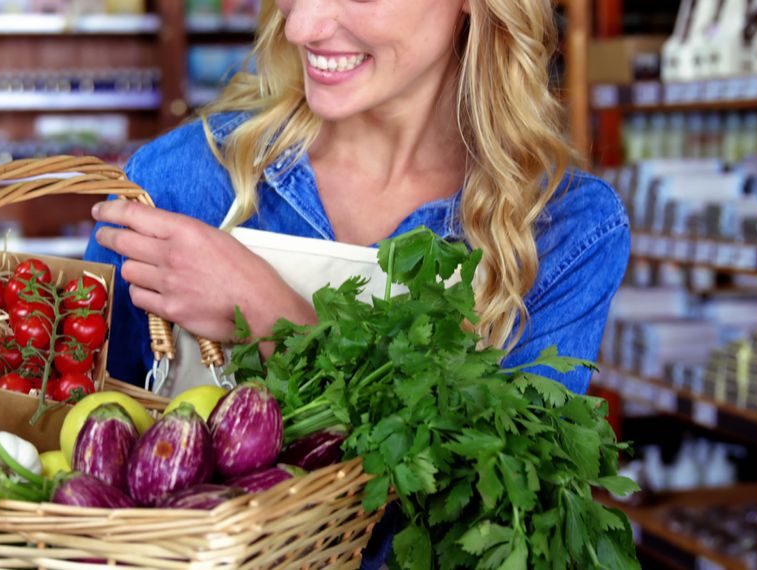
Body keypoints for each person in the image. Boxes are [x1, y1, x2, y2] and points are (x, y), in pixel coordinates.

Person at [84, 0, 629, 566]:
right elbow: (87, 474)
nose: (300, 26)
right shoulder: (176, 183)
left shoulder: (564, 232)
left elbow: (506, 523)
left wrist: (276, 320)